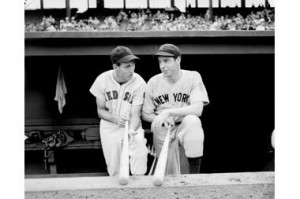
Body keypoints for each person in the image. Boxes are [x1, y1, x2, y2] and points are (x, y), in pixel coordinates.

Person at [142, 44, 209, 174]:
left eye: (166, 61)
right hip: (163, 129)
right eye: (160, 61)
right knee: (167, 175)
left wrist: (168, 112)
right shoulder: (153, 82)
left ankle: (195, 177)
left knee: (193, 121)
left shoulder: (193, 76)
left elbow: (198, 109)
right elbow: (146, 113)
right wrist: (158, 118)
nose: (162, 66)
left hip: (183, 126)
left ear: (178, 59)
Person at [90, 46, 148, 176]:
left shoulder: (139, 82)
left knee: (139, 153)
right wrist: (115, 119)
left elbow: (135, 114)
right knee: (115, 169)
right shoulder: (102, 79)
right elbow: (100, 111)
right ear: (115, 67)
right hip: (110, 126)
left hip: (131, 123)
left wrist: (132, 130)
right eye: (127, 66)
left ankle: (140, 188)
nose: (132, 69)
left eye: (133, 65)